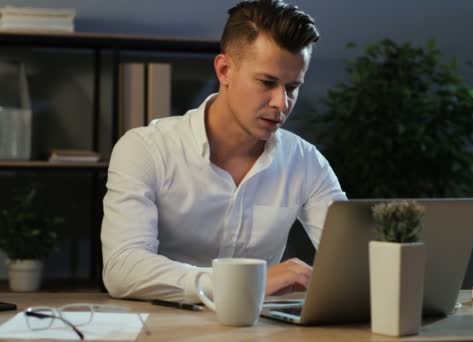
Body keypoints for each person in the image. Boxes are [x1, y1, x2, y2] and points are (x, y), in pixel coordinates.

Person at [101, 0, 346, 303]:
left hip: (258, 332)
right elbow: (123, 268)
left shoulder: (306, 163)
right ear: (225, 69)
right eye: (267, 82)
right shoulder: (145, 149)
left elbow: (352, 261)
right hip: (163, 328)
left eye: (292, 87)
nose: (281, 104)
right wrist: (243, 283)